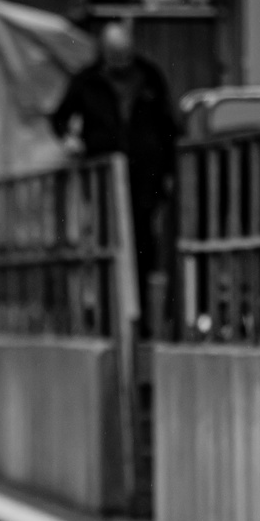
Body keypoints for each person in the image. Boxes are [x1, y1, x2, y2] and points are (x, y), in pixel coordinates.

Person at [51, 21, 179, 327]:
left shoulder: (149, 76)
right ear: (104, 53)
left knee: (143, 245)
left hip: (145, 177)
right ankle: (110, 318)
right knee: (107, 243)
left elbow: (168, 127)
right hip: (104, 179)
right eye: (115, 56)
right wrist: (70, 139)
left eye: (125, 55)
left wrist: (169, 171)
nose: (121, 63)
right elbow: (59, 118)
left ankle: (140, 321)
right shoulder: (88, 80)